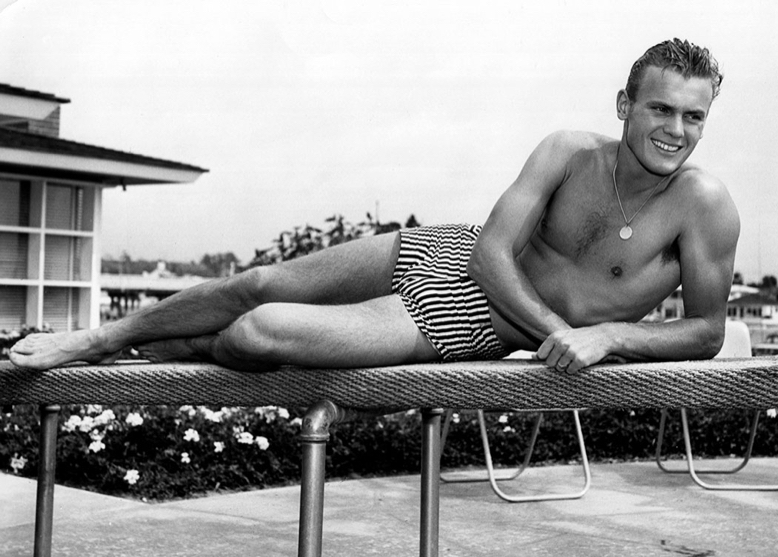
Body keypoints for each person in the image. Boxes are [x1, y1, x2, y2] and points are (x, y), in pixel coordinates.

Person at [10, 38, 739, 375]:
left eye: (693, 117)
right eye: (660, 109)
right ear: (625, 104)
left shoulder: (703, 208)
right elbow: (490, 250)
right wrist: (561, 334)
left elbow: (708, 329)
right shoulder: (569, 151)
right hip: (457, 253)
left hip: (476, 319)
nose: (675, 131)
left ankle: (199, 345)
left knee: (261, 330)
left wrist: (607, 338)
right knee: (257, 284)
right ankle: (99, 339)